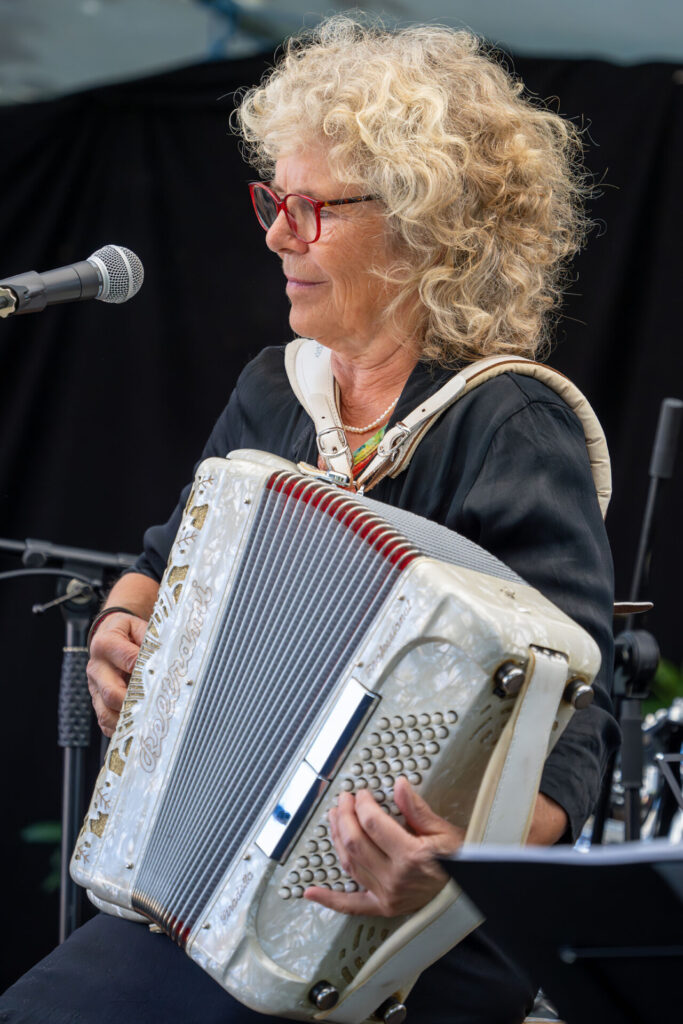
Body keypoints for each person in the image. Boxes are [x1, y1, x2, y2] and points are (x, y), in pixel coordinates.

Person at [0, 15, 619, 1024]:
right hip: (206, 889)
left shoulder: (509, 420)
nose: (276, 233)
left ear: (424, 225)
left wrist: (455, 863)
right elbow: (167, 556)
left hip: (394, 937)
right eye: (271, 200)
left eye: (310, 209)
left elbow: (570, 710)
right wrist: (125, 621)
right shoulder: (275, 392)